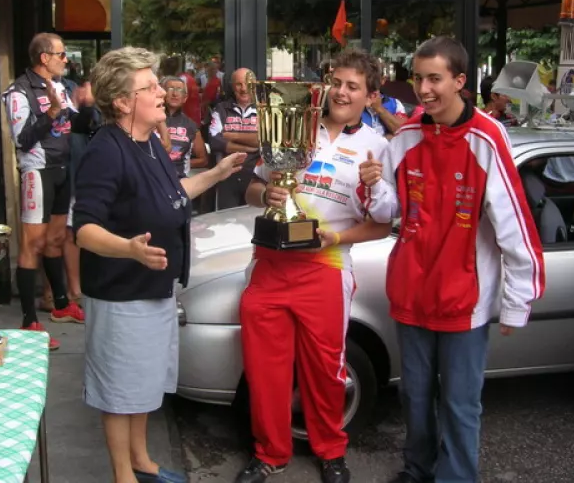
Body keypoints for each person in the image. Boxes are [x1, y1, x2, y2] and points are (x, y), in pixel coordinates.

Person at [359, 37, 545, 483]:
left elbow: (514, 222)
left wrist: (517, 298)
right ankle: (417, 469)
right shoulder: (404, 137)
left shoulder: (486, 136)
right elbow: (389, 211)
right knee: (415, 398)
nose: (423, 88)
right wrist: (372, 186)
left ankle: (457, 477)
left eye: (434, 78)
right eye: (418, 78)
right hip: (411, 293)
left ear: (460, 82)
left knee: (461, 403)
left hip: (464, 300)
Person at [73, 46, 245, 483]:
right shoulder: (105, 151)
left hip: (155, 285)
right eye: (148, 87)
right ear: (123, 102)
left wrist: (217, 173)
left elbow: (173, 193)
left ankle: (142, 460)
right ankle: (123, 475)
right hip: (121, 290)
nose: (161, 93)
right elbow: (85, 229)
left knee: (145, 381)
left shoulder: (147, 141)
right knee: (120, 388)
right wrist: (129, 249)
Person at [235, 49, 393, 483]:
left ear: (370, 96)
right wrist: (263, 196)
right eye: (337, 82)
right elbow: (252, 187)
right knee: (265, 368)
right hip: (270, 263)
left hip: (325, 266)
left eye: (353, 86)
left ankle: (330, 450)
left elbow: (381, 224)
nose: (342, 92)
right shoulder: (292, 124)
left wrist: (338, 235)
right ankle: (269, 452)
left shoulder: (375, 147)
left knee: (326, 370)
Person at [2, 32, 94, 349]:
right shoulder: (18, 90)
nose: (65, 59)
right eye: (61, 54)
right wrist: (51, 113)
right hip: (37, 170)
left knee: (56, 239)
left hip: (63, 168)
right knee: (34, 243)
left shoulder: (58, 87)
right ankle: (29, 321)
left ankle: (61, 304)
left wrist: (89, 107)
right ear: (44, 57)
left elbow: (76, 126)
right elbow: (22, 139)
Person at [209, 68, 259, 209]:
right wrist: (249, 147)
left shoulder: (264, 109)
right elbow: (214, 141)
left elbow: (263, 141)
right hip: (227, 176)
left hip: (255, 178)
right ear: (232, 86)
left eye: (248, 84)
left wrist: (231, 135)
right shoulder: (221, 109)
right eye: (239, 84)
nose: (243, 89)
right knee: (226, 222)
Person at [160, 76, 208, 178]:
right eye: (170, 89)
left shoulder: (191, 125)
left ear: (185, 98)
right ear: (162, 93)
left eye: (179, 90)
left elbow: (203, 160)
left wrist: (180, 164)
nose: (175, 94)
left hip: (179, 180)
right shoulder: (150, 119)